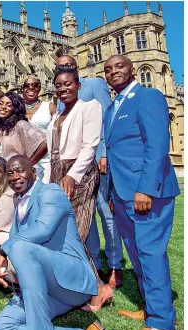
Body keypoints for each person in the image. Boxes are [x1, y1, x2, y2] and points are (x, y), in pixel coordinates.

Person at [0, 156, 132, 330]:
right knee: (4, 328)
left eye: (20, 170)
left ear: (34, 172)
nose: (15, 177)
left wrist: (2, 249)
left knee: (18, 246)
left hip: (72, 281)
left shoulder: (51, 192)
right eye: (10, 173)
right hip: (46, 288)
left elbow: (42, 230)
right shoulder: (18, 202)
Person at [104, 54, 180, 330]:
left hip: (146, 192)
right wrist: (112, 192)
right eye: (108, 69)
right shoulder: (113, 107)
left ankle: (162, 323)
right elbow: (115, 152)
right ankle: (151, 308)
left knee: (149, 253)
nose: (113, 72)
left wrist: (146, 188)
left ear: (132, 69)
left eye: (119, 66)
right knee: (136, 254)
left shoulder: (148, 96)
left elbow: (158, 143)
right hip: (122, 193)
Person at [48, 66, 113, 312]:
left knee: (76, 232)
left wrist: (72, 175)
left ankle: (99, 288)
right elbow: (54, 153)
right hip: (58, 173)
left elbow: (90, 146)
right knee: (62, 233)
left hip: (81, 174)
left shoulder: (89, 107)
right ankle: (82, 287)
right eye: (58, 85)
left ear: (78, 85)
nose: (63, 88)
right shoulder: (58, 115)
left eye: (67, 84)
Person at [57, 54, 123, 289]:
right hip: (70, 167)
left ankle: (116, 266)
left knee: (106, 213)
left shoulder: (93, 84)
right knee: (86, 218)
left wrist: (104, 152)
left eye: (68, 65)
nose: (64, 68)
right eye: (60, 66)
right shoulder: (60, 94)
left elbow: (108, 118)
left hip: (95, 160)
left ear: (76, 67)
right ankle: (94, 262)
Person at [0, 91, 47, 177]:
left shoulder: (20, 125)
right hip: (2, 176)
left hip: (20, 177)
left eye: (8, 105)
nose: (3, 107)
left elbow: (44, 143)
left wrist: (28, 164)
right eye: (1, 103)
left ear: (15, 108)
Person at [22, 75, 55, 183]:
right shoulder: (18, 108)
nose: (31, 88)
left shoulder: (49, 107)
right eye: (27, 86)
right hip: (25, 159)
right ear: (22, 89)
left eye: (35, 85)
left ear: (40, 88)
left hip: (47, 158)